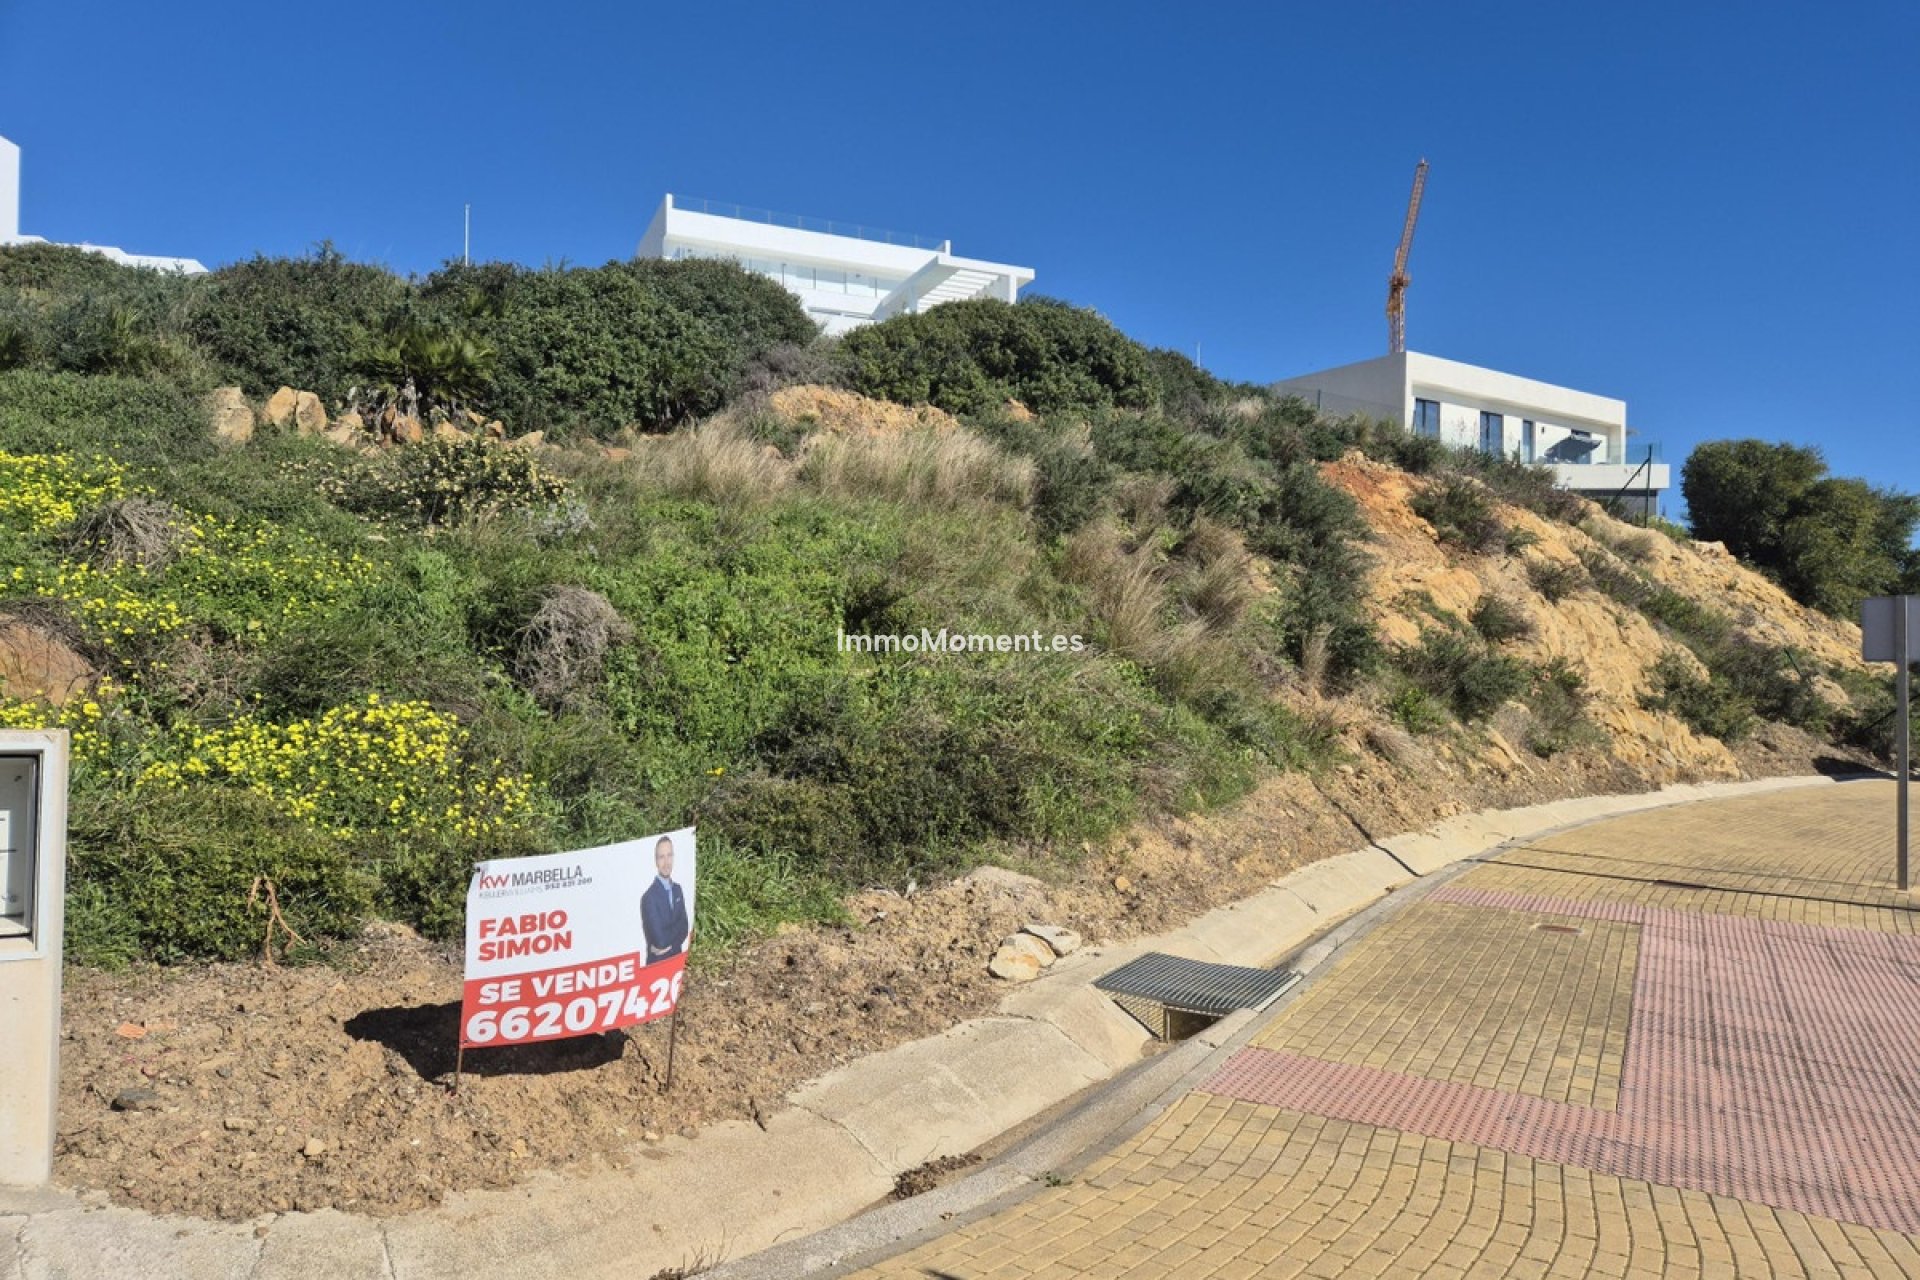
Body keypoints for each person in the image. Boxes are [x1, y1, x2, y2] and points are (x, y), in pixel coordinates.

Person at [640, 835, 690, 963]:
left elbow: (685, 927)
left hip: (677, 960)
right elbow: (660, 940)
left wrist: (671, 945)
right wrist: (676, 931)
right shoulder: (649, 897)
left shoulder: (678, 889)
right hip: (658, 965)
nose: (666, 862)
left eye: (669, 855)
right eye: (662, 857)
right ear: (656, 861)